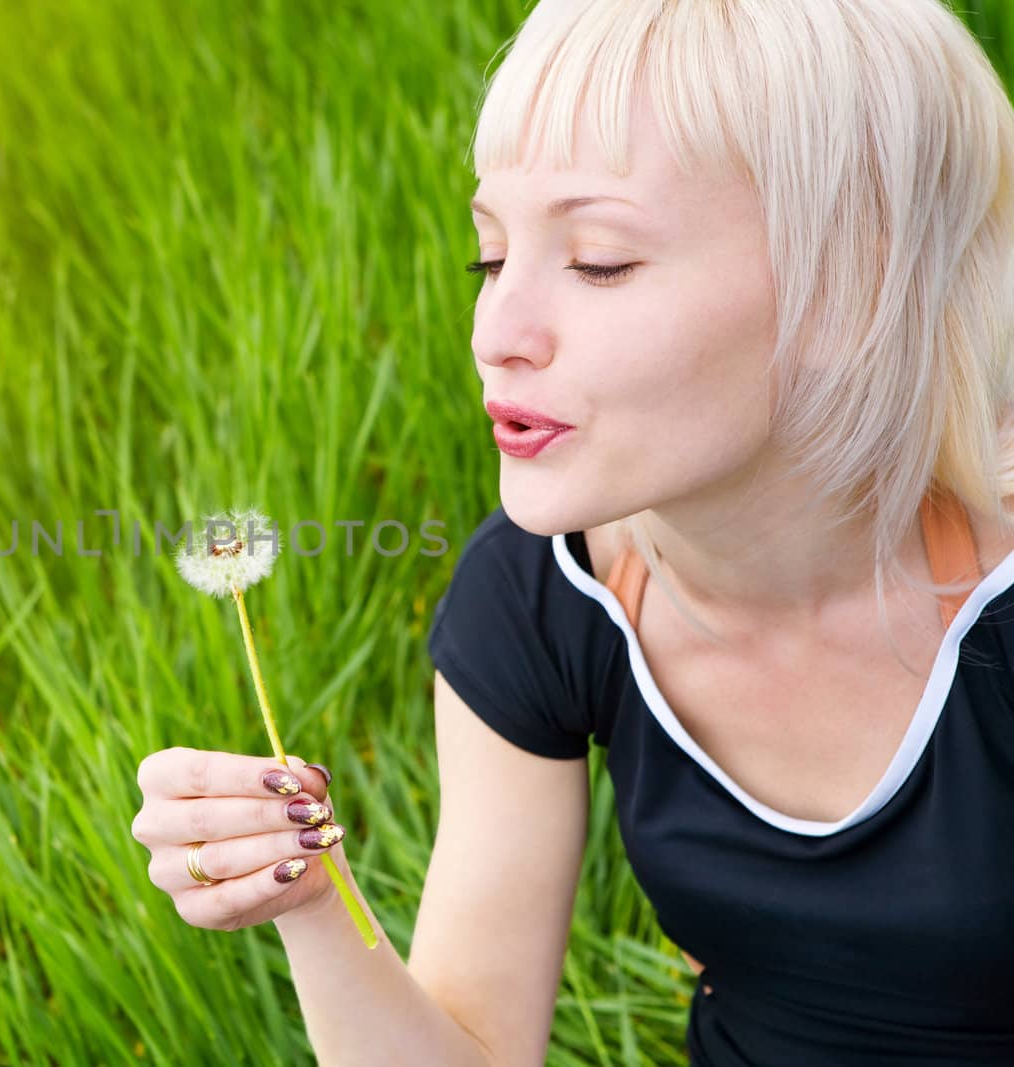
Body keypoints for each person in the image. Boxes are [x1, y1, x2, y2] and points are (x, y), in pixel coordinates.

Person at [131, 1, 1014, 1062]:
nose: (495, 333)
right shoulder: (539, 599)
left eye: (598, 260)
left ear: (848, 289)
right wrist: (312, 903)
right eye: (491, 258)